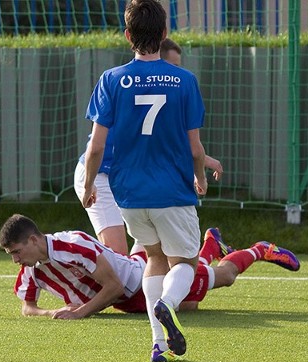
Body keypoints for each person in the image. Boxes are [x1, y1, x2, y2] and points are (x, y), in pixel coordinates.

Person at [80, 0, 208, 361]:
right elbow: (195, 149)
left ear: (127, 36)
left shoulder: (111, 79)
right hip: (172, 189)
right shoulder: (184, 81)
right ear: (164, 34)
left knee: (152, 256)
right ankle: (167, 303)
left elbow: (96, 147)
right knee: (185, 261)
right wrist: (199, 178)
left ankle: (158, 343)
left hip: (129, 193)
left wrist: (89, 186)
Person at [0, 214, 301, 362]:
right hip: (134, 269)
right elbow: (27, 307)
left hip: (140, 284)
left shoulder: (73, 245)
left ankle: (260, 249)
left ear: (35, 240)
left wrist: (80, 313)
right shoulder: (31, 267)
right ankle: (211, 243)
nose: (15, 260)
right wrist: (51, 311)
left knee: (222, 278)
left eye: (17, 252)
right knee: (189, 304)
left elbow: (115, 287)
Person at [73, 36, 222, 256]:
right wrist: (89, 184)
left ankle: (212, 254)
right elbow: (99, 147)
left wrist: (203, 161)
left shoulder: (161, 87)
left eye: (177, 67)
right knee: (120, 260)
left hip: (133, 177)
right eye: (171, 65)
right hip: (100, 175)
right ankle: (215, 254)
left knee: (154, 253)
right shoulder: (124, 84)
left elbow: (168, 142)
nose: (172, 72)